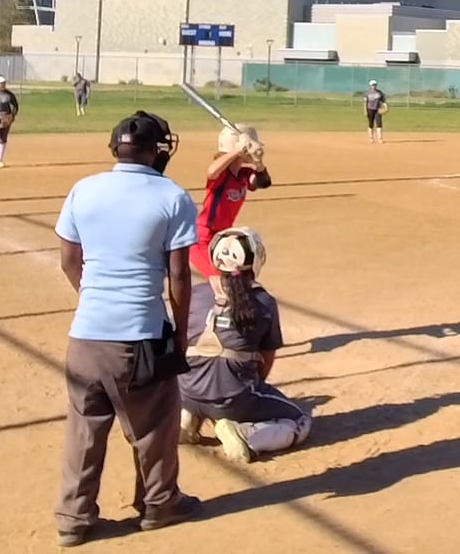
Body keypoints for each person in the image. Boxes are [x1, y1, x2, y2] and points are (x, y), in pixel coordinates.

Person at [53, 112, 202, 546]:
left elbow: (69, 260)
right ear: (156, 150)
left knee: (84, 429)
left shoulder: (84, 189)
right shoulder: (172, 196)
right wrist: (178, 334)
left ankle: (73, 519)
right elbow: (179, 275)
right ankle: (160, 504)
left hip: (85, 336)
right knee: (155, 424)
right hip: (139, 336)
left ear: (115, 148)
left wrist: (93, 299)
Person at [179, 227, 312, 463]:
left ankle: (188, 417)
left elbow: (175, 340)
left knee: (203, 379)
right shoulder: (263, 301)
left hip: (185, 391)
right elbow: (266, 359)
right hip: (232, 400)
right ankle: (244, 434)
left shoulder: (194, 293)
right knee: (299, 420)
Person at [192, 125, 271, 288]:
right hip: (202, 238)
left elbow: (264, 182)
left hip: (222, 237)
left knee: (233, 281)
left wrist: (259, 163)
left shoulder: (243, 174)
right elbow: (211, 172)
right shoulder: (222, 174)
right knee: (222, 282)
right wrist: (237, 150)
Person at [365, 80, 387, 144]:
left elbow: (383, 101)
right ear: (370, 85)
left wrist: (386, 107)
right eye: (372, 85)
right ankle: (371, 138)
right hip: (370, 109)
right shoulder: (367, 93)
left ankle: (380, 138)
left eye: (374, 85)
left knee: (379, 123)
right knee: (371, 123)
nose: (373, 86)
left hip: (378, 109)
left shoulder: (380, 92)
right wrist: (365, 110)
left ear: (376, 85)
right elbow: (365, 102)